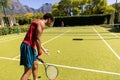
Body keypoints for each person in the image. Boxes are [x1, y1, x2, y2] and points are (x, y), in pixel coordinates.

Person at [20, 13, 54, 80]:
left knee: (35, 65)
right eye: (51, 21)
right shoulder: (41, 24)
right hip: (28, 47)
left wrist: (44, 49)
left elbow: (36, 38)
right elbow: (37, 39)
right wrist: (40, 53)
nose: (51, 23)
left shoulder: (37, 21)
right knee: (28, 71)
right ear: (49, 19)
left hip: (30, 47)